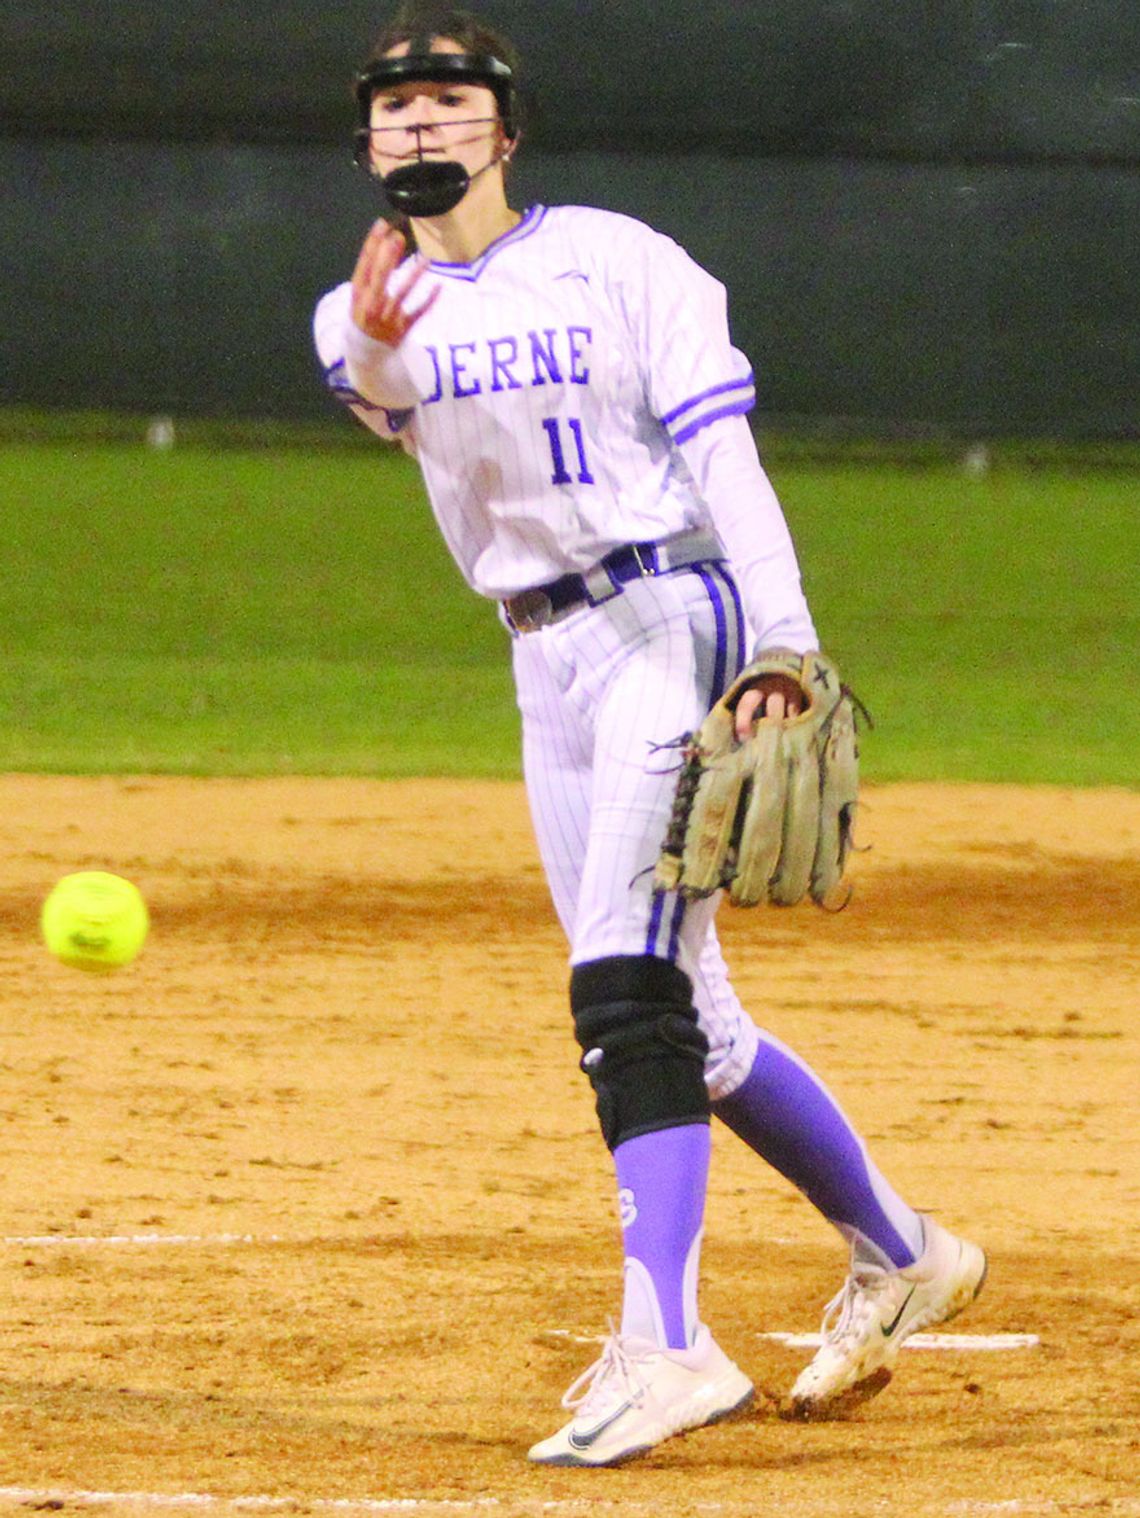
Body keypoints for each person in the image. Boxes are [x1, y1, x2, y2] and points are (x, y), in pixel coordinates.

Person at [313, 2, 986, 1467]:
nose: (419, 125)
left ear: (505, 128)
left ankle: (665, 1342)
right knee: (700, 1016)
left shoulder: (624, 261)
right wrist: (370, 349)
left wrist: (786, 641)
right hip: (544, 663)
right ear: (368, 140)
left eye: (448, 101)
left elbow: (723, 460)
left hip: (669, 624)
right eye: (393, 107)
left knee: (624, 990)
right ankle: (906, 1248)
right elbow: (376, 396)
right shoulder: (359, 308)